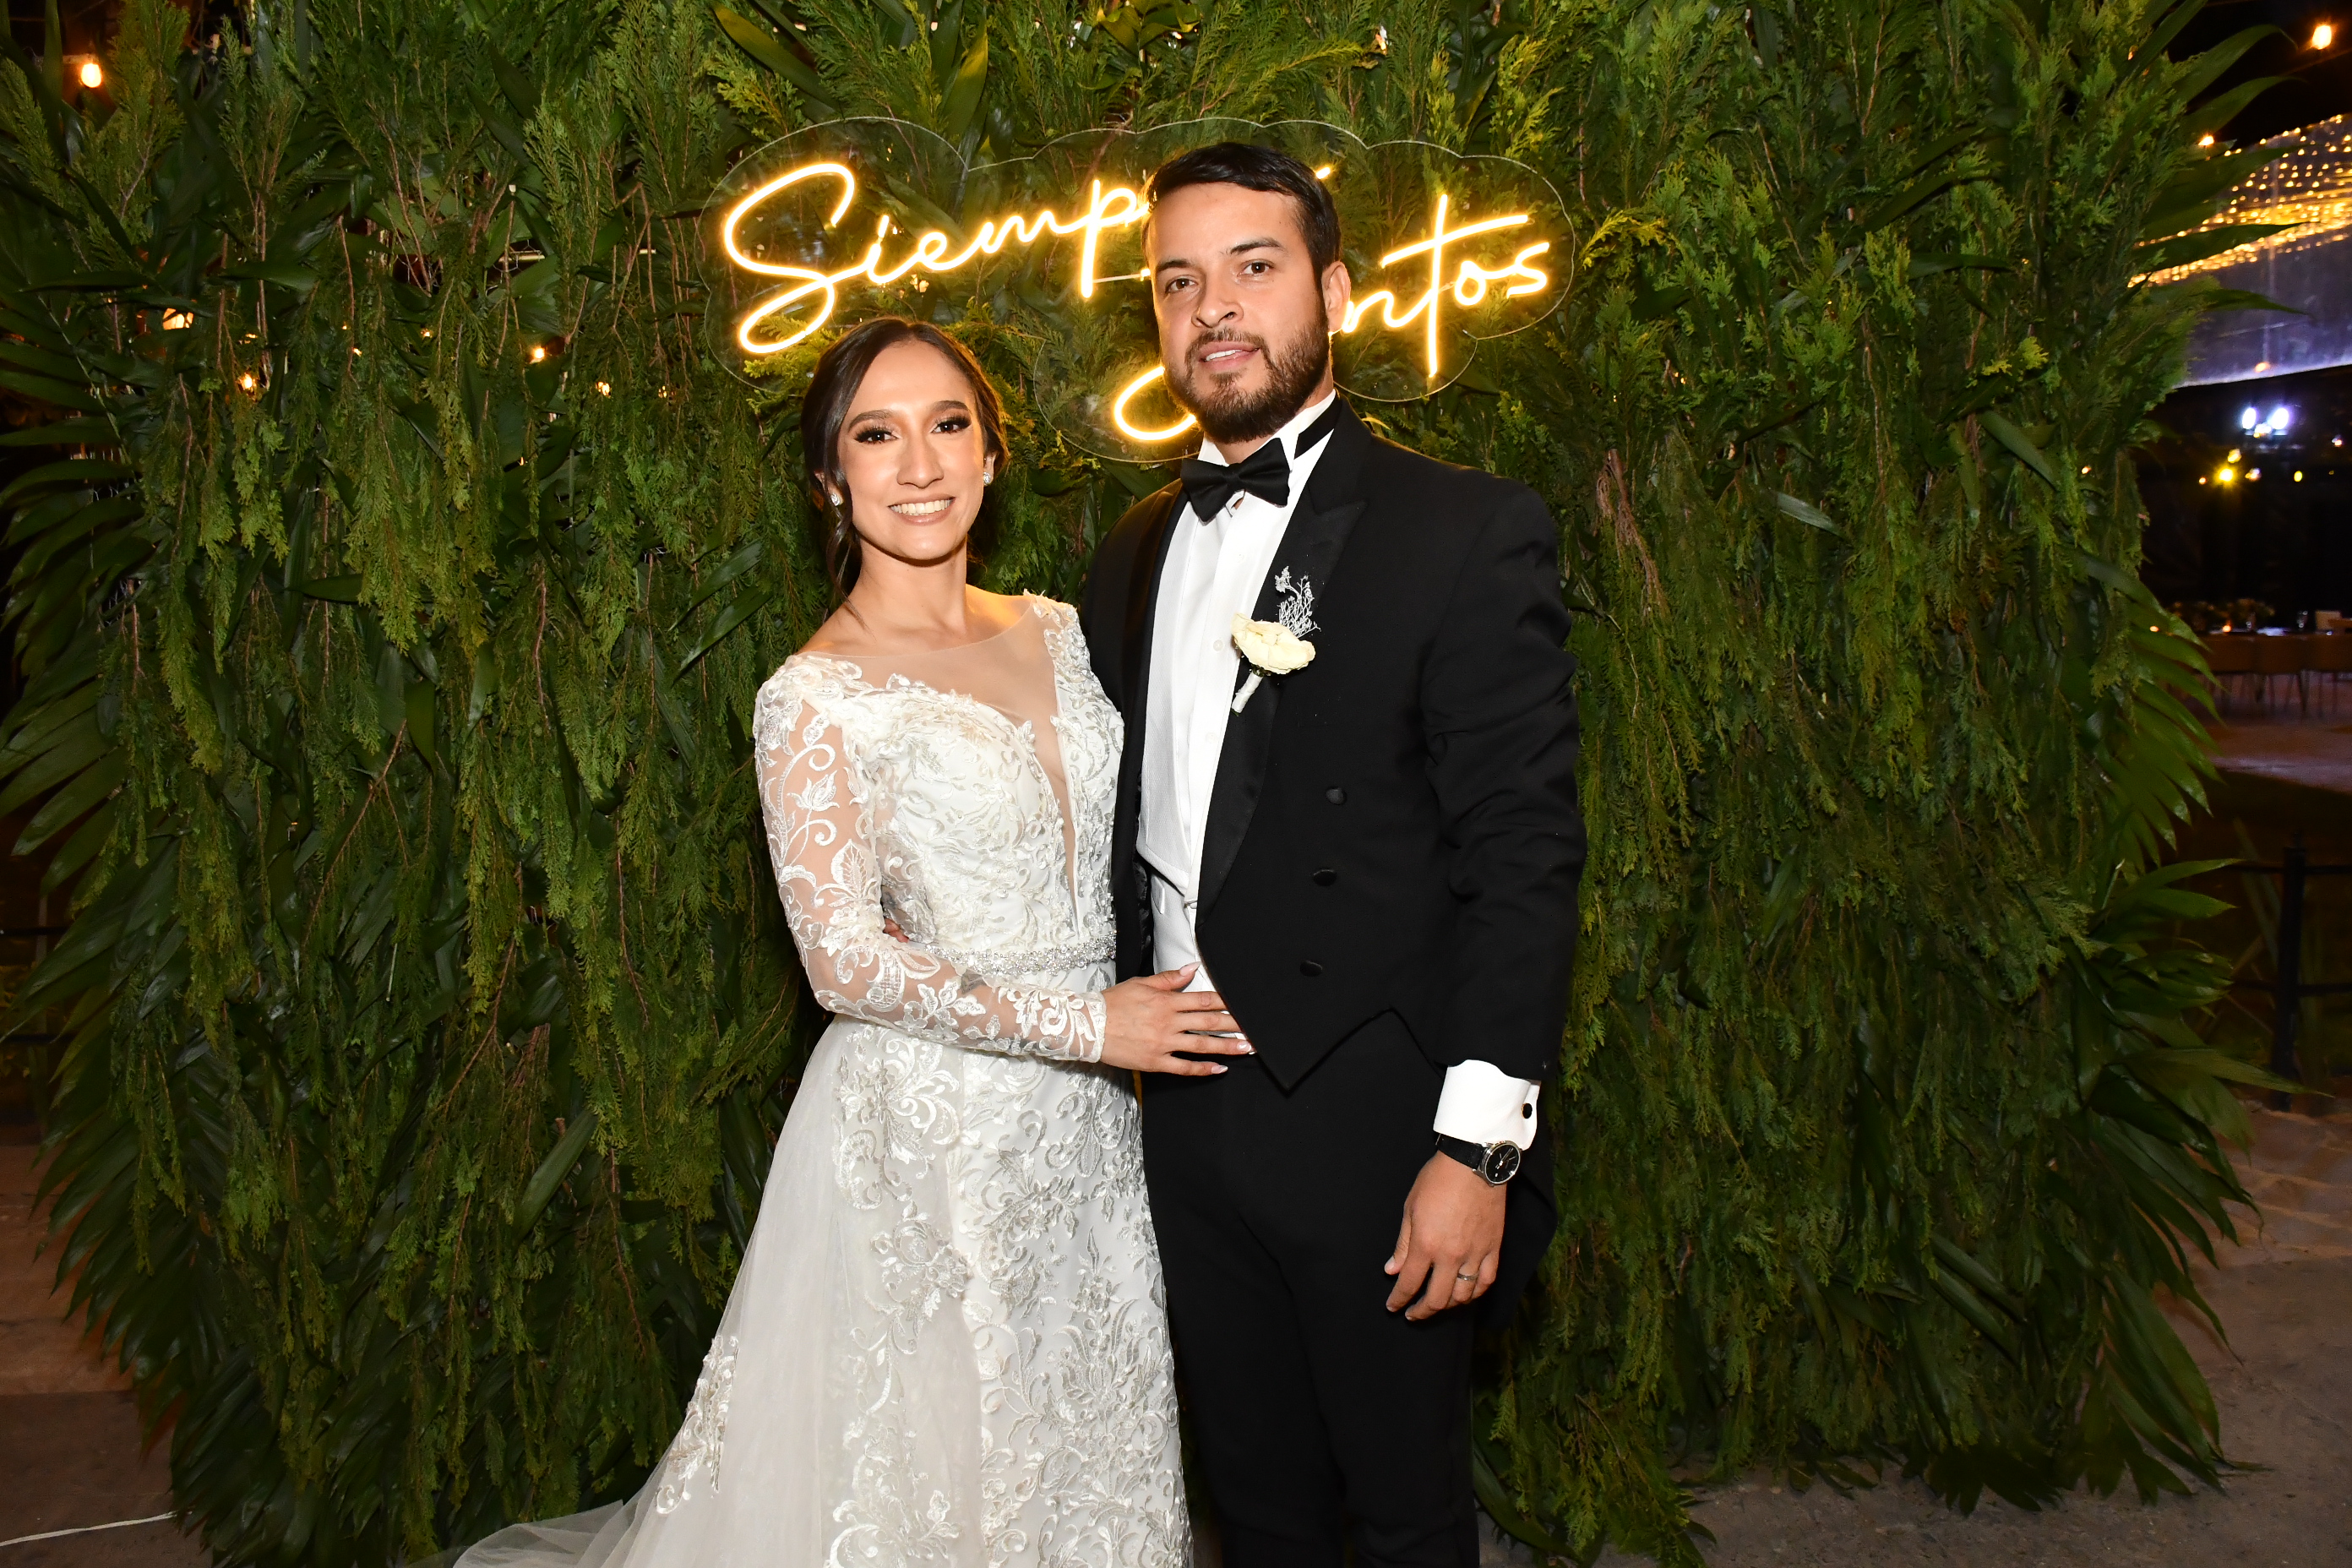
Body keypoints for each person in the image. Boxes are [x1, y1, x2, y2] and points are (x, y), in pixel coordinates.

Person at [450, 317, 1232, 1568]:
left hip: (1090, 1123)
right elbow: (843, 962)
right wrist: (1089, 1024)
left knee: (1088, 1418)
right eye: (876, 434)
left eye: (948, 425)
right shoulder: (814, 695)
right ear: (831, 478)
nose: (918, 464)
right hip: (930, 1132)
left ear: (990, 456)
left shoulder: (1062, 627)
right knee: (944, 1463)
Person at [1079, 144, 1584, 1568]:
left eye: (1254, 268)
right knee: (1256, 1511)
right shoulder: (1130, 551)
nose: (1213, 309)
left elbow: (1524, 857)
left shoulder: (1461, 529)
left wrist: (1474, 1151)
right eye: (1178, 282)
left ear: (1337, 292)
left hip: (1371, 1113)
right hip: (1184, 1113)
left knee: (1407, 1515)